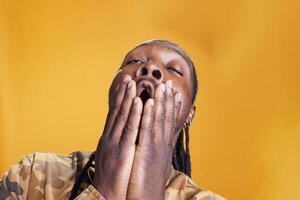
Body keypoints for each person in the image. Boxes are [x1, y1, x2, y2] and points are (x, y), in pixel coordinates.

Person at [0, 40, 225, 200]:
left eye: (174, 69)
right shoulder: (32, 176)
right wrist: (103, 193)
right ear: (112, 90)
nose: (150, 69)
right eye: (134, 61)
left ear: (189, 114)